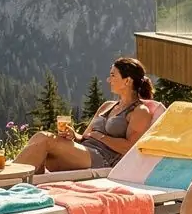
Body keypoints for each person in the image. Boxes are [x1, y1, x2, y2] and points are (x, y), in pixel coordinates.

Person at [16, 57, 154, 173]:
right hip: (84, 152)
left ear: (127, 81)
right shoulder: (107, 106)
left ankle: (8, 181)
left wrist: (101, 137)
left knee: (45, 139)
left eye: (113, 75)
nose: (108, 79)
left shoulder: (140, 111)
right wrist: (74, 135)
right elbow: (85, 137)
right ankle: (18, 186)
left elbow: (130, 148)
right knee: (39, 144)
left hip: (102, 159)